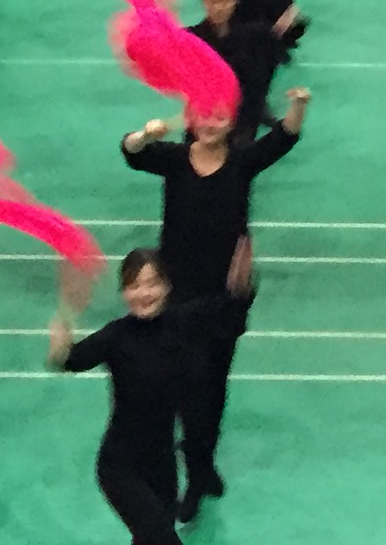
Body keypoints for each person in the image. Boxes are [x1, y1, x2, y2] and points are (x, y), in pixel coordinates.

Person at [51, 240, 259, 545]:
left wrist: (241, 287)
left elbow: (230, 313)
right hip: (121, 468)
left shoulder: (185, 322)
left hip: (163, 469)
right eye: (134, 285)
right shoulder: (116, 337)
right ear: (123, 292)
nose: (143, 293)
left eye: (151, 283)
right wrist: (60, 340)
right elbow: (72, 359)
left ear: (166, 286)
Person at [120, 86, 308, 514]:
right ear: (191, 119)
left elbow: (284, 138)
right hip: (177, 296)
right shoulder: (174, 159)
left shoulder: (242, 161)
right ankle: (190, 470)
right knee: (184, 386)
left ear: (231, 121)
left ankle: (202, 468)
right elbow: (131, 153)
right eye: (202, 115)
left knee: (214, 388)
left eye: (219, 116)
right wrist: (146, 135)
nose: (209, 124)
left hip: (226, 296)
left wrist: (299, 104)